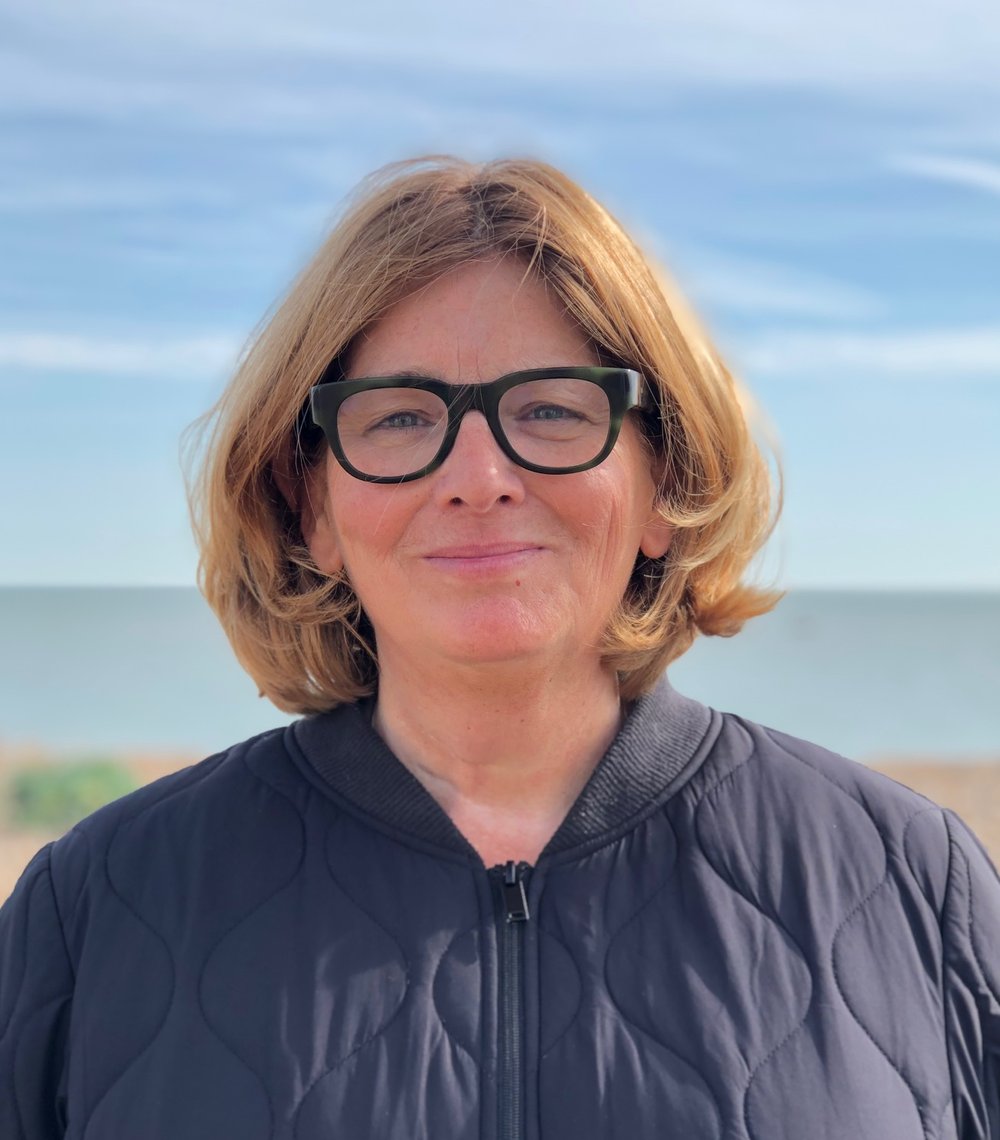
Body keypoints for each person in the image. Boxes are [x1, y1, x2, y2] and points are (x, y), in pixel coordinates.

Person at [2, 156, 998, 1140]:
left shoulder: (914, 884)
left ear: (663, 483)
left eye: (552, 411)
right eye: (398, 417)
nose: (478, 477)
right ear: (311, 506)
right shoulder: (95, 910)